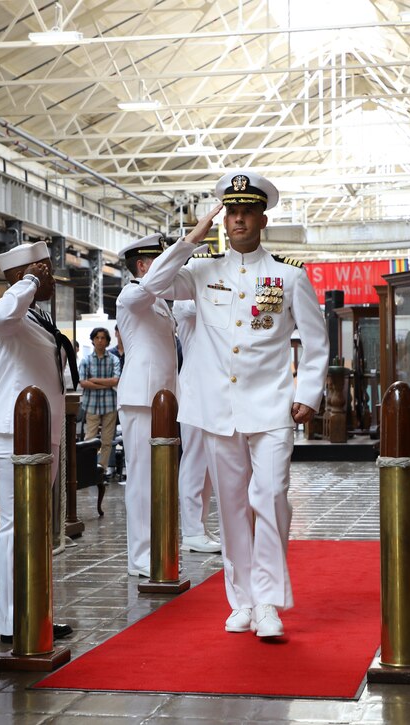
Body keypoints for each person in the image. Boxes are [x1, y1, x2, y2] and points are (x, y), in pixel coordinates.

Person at [146, 171, 329, 639]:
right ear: (222, 219)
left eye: (247, 211)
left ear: (263, 218)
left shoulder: (288, 275)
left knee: (269, 498)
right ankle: (241, 600)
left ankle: (267, 601)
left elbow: (314, 339)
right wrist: (189, 240)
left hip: (270, 407)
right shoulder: (202, 271)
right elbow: (153, 285)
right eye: (232, 212)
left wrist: (308, 393)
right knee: (230, 508)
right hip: (216, 409)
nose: (239, 219)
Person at [0, 242, 75, 644]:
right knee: (15, 527)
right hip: (14, 431)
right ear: (25, 275)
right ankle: (12, 619)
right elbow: (3, 316)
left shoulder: (37, 317)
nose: (52, 278)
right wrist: (29, 282)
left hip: (43, 433)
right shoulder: (8, 313)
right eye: (45, 271)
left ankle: (35, 610)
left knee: (36, 528)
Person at [115, 233, 180, 577]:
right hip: (141, 398)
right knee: (140, 479)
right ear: (142, 266)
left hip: (163, 398)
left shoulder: (159, 301)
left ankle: (156, 546)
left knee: (160, 477)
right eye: (159, 260)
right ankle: (139, 555)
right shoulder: (132, 295)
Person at [172, 299, 222, 554]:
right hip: (194, 390)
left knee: (207, 467)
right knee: (194, 462)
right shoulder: (185, 299)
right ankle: (191, 530)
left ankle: (200, 525)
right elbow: (191, 307)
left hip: (214, 391)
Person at [78, 327, 121, 478]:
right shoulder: (86, 360)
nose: (100, 340)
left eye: (103, 338)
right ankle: (88, 469)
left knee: (107, 440)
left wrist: (94, 380)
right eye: (97, 337)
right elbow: (83, 383)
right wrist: (106, 384)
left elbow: (116, 380)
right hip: (92, 404)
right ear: (93, 340)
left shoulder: (114, 359)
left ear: (108, 341)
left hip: (110, 404)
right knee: (90, 438)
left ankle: (101, 470)